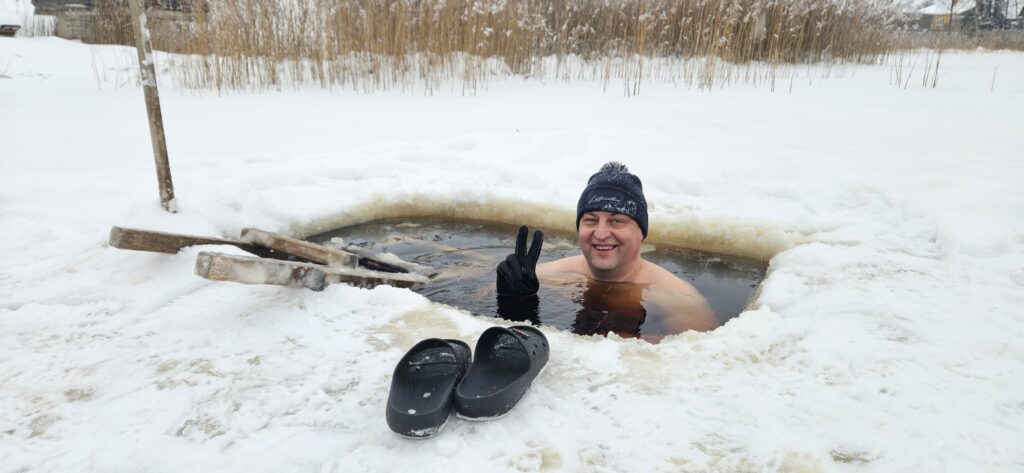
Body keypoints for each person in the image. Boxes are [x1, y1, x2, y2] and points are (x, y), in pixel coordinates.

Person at [495, 162, 718, 337]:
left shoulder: (679, 298)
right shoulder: (550, 274)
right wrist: (512, 301)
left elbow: (689, 371)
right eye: (591, 220)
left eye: (617, 221)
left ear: (641, 232)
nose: (600, 234)